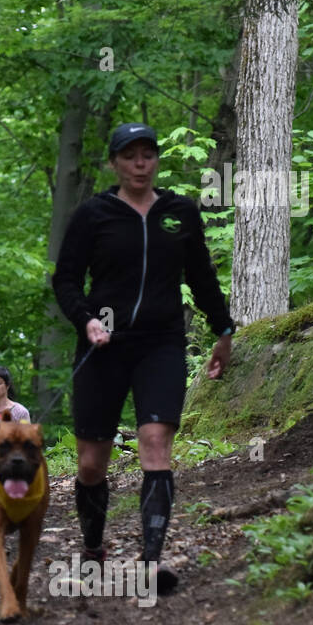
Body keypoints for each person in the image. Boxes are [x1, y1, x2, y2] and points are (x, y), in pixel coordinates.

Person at [52, 123, 234, 594]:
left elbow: (201, 275)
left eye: (147, 155)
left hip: (161, 342)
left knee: (156, 442)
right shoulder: (94, 214)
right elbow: (66, 279)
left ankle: (151, 562)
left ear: (156, 161)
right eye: (129, 155)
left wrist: (223, 330)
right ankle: (93, 550)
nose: (139, 164)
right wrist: (87, 320)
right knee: (92, 462)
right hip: (102, 345)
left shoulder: (179, 213)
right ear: (114, 162)